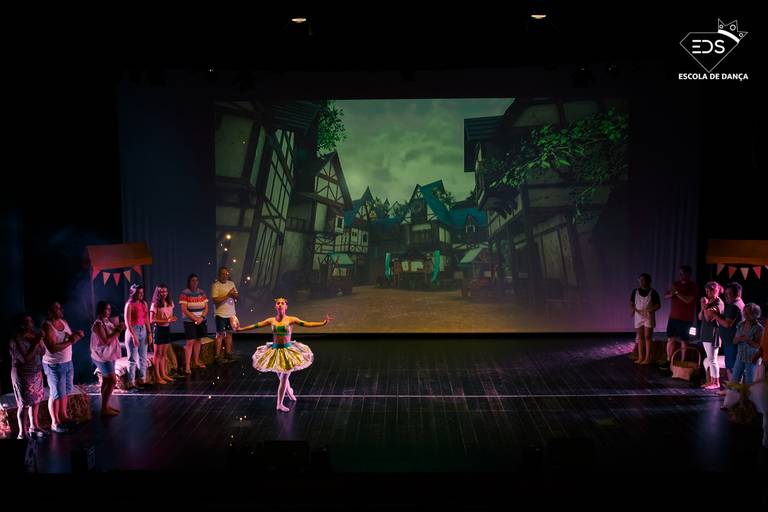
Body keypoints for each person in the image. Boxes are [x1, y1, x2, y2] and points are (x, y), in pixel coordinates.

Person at [238, 297, 332, 412]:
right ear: (275, 306)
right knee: (282, 377)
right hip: (275, 351)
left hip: (288, 352)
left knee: (283, 378)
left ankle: (279, 404)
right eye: (278, 303)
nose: (280, 305)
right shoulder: (271, 320)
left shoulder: (291, 319)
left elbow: (307, 324)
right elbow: (255, 325)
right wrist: (241, 329)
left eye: (282, 303)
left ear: (286, 306)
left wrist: (323, 323)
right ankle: (290, 392)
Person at [42, 302, 84, 433]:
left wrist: (76, 335)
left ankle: (64, 417)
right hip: (54, 364)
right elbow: (52, 348)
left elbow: (67, 338)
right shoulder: (47, 327)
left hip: (67, 362)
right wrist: (71, 341)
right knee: (56, 394)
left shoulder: (63, 322)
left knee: (65, 391)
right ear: (50, 311)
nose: (61, 310)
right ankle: (55, 423)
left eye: (61, 307)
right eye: (58, 308)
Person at [9, 313, 47, 439]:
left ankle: (34, 426)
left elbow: (43, 352)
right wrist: (36, 342)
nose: (31, 323)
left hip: (36, 373)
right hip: (23, 375)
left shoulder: (34, 336)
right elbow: (25, 359)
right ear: (22, 325)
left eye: (31, 321)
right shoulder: (16, 339)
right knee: (24, 404)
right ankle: (22, 433)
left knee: (36, 401)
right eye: (28, 321)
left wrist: (39, 340)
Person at [90, 301, 125, 416]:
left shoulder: (107, 321)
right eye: (107, 309)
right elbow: (106, 341)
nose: (109, 311)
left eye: (110, 309)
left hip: (109, 354)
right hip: (102, 356)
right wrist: (118, 330)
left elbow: (113, 336)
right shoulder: (98, 324)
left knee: (106, 380)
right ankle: (104, 408)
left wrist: (118, 328)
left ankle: (105, 406)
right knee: (113, 380)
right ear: (101, 310)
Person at [661, 265, 698, 370]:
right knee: (670, 339)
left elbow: (688, 300)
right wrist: (672, 293)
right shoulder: (675, 284)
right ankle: (669, 361)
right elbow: (666, 296)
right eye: (680, 273)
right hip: (673, 317)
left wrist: (676, 293)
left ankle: (682, 362)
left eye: (684, 273)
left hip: (686, 319)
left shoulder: (693, 286)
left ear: (689, 274)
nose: (681, 275)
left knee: (684, 341)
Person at [711, 282, 744, 383]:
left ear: (737, 294)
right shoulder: (739, 304)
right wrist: (718, 315)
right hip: (732, 342)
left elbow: (727, 324)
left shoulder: (734, 306)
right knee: (733, 367)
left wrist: (715, 316)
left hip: (731, 343)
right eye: (725, 294)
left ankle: (733, 389)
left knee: (731, 368)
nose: (726, 296)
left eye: (729, 294)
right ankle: (733, 389)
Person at [179, 274, 209, 374]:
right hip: (189, 321)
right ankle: (188, 366)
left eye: (196, 280)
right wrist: (195, 319)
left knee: (198, 340)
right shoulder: (185, 293)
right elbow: (184, 309)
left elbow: (206, 307)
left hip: (201, 320)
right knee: (190, 342)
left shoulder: (202, 292)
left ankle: (196, 361)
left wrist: (201, 318)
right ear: (189, 282)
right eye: (192, 280)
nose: (195, 282)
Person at [124, 284, 152, 389]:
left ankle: (142, 380)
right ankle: (131, 383)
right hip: (133, 330)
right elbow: (127, 322)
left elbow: (146, 319)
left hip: (143, 329)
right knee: (132, 358)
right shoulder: (129, 305)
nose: (141, 295)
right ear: (133, 293)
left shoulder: (144, 303)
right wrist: (133, 336)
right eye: (139, 293)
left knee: (143, 357)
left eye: (142, 293)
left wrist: (149, 333)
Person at [629, 273, 661, 364]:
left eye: (643, 280)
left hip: (648, 316)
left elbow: (658, 305)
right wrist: (633, 309)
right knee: (640, 337)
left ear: (648, 281)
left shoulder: (653, 292)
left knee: (647, 337)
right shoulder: (635, 291)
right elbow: (631, 303)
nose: (641, 282)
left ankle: (647, 358)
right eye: (640, 280)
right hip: (638, 316)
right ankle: (640, 357)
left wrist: (652, 309)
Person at [699, 282, 724, 390]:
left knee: (712, 359)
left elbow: (708, 318)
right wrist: (703, 307)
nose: (707, 293)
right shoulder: (710, 302)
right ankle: (711, 381)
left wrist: (705, 305)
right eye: (706, 291)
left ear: (716, 291)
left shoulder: (718, 303)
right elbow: (700, 317)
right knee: (710, 359)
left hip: (713, 333)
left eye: (709, 291)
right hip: (706, 332)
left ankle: (716, 382)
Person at [150, 284, 177, 384]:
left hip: (166, 329)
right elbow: (152, 320)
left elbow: (170, 316)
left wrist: (172, 319)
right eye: (161, 291)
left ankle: (164, 374)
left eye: (165, 291)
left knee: (164, 354)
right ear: (158, 293)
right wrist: (166, 320)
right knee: (157, 354)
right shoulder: (155, 304)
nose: (163, 293)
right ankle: (158, 377)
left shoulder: (169, 302)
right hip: (158, 329)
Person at [730, 303, 764, 385]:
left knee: (750, 383)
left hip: (752, 358)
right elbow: (734, 341)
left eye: (748, 312)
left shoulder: (759, 328)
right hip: (740, 356)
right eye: (744, 311)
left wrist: (748, 341)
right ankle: (734, 394)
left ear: (755, 314)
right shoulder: (740, 325)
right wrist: (739, 339)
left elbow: (760, 346)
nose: (745, 314)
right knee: (734, 381)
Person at [211, 267, 239, 364]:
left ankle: (228, 353)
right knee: (220, 335)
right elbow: (215, 300)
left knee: (229, 334)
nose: (225, 276)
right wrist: (228, 295)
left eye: (226, 274)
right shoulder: (215, 285)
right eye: (223, 274)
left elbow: (237, 297)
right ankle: (217, 356)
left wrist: (234, 295)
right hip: (220, 314)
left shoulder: (231, 284)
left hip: (231, 314)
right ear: (219, 275)